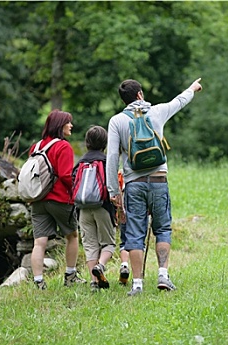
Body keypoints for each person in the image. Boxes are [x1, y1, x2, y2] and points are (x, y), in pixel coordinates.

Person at [106, 78, 203, 296]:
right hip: (159, 180)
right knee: (162, 228)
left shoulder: (116, 121)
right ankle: (163, 276)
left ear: (124, 100)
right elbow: (179, 101)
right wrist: (192, 88)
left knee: (134, 233)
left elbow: (112, 157)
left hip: (133, 184)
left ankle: (138, 284)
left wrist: (113, 191)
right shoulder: (157, 111)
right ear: (140, 94)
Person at [29, 109, 86, 290]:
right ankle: (70, 275)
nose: (71, 125)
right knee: (72, 235)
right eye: (68, 122)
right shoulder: (63, 146)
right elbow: (65, 176)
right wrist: (77, 191)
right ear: (60, 125)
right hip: (60, 199)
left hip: (38, 199)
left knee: (39, 242)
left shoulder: (36, 146)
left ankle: (39, 282)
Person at [72, 126, 117, 292]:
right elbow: (112, 185)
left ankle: (94, 283)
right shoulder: (106, 161)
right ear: (105, 143)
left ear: (86, 143)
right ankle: (100, 265)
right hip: (102, 207)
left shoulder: (80, 163)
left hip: (83, 209)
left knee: (90, 245)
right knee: (108, 244)